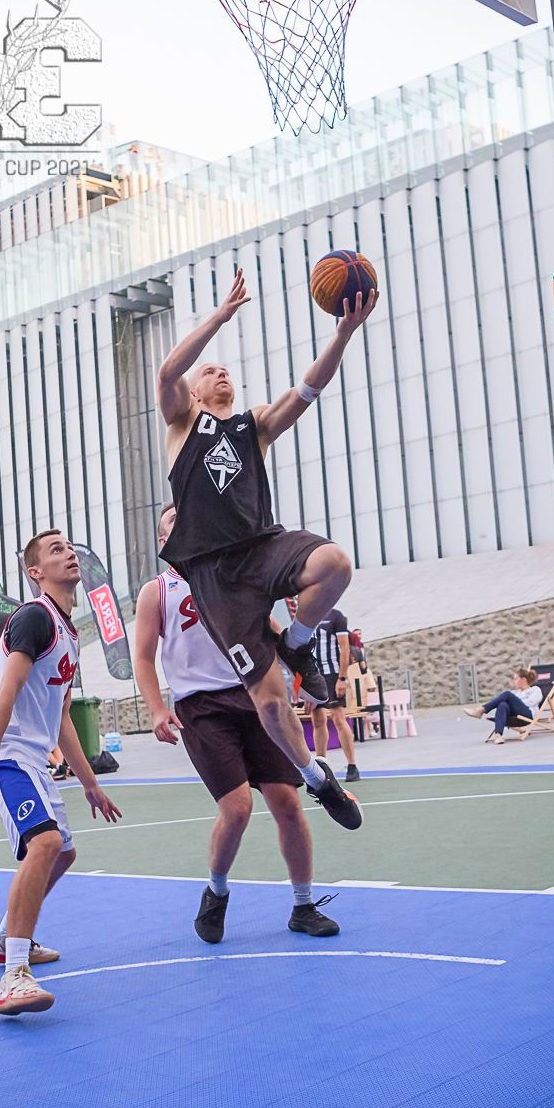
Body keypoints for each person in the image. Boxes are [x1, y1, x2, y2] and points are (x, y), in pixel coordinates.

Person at [156, 269, 376, 831]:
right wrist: (221, 316)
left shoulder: (253, 426)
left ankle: (296, 642)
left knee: (335, 564)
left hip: (261, 546)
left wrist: (344, 333)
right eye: (209, 370)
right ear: (195, 391)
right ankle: (317, 778)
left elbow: (309, 389)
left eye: (225, 369)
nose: (220, 371)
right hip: (214, 574)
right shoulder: (181, 424)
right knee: (271, 701)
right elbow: (168, 370)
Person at [134, 504, 340, 943]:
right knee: (238, 808)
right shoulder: (157, 591)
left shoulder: (230, 576)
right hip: (201, 707)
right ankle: (216, 892)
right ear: (163, 541)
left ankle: (303, 904)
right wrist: (156, 709)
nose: (183, 522)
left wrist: (301, 674)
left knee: (287, 802)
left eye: (187, 516)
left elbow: (270, 629)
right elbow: (143, 658)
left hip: (254, 694)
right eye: (171, 521)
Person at [0, 530, 122, 1017]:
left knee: (63, 853)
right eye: (56, 550)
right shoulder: (34, 617)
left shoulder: (68, 632)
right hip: (5, 748)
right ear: (35, 572)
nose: (69, 553)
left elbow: (61, 715)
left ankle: (4, 937)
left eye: (69, 547)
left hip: (29, 752)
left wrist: (90, 782)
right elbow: (6, 690)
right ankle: (13, 975)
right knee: (45, 844)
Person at [311, 607, 359, 783]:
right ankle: (322, 767)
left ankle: (352, 765)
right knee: (317, 720)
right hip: (313, 675)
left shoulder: (335, 616)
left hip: (332, 674)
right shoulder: (306, 614)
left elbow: (344, 648)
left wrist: (342, 678)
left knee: (339, 718)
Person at [465, 668, 543, 744]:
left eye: (516, 679)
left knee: (507, 694)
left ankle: (480, 710)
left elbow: (531, 702)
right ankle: (498, 735)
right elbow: (510, 704)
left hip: (527, 715)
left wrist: (514, 702)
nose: (514, 681)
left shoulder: (534, 690)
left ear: (523, 679)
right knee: (502, 704)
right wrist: (513, 703)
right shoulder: (514, 693)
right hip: (514, 717)